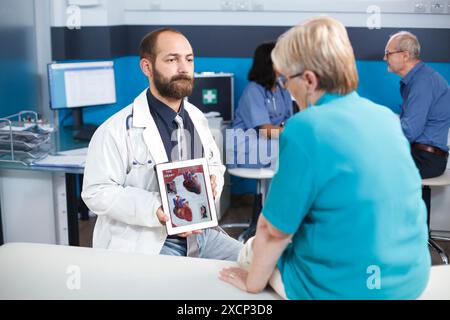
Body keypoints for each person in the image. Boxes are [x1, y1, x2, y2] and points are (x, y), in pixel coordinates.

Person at [219, 17, 430, 299]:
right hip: (410, 279)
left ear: (308, 79)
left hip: (345, 290)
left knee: (252, 248)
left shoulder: (305, 128)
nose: (286, 88)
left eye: (286, 79)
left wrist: (252, 284)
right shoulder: (385, 119)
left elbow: (273, 231)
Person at [82, 28, 242, 260]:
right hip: (151, 239)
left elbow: (215, 164)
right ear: (147, 67)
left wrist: (212, 181)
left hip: (201, 235)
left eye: (189, 59)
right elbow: (96, 192)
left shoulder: (197, 118)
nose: (183, 68)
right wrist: (156, 208)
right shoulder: (115, 130)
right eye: (172, 59)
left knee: (258, 267)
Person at [384, 31, 450, 179]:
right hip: (421, 154)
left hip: (426, 159)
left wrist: (380, 130)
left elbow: (410, 131)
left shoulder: (422, 82)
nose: (384, 58)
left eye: (388, 53)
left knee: (372, 168)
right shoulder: (419, 79)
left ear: (405, 56)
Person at [227, 42, 293, 169]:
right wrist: (294, 135)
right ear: (269, 63)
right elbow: (265, 130)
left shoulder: (282, 89)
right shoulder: (253, 90)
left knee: (294, 149)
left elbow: (290, 121)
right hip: (248, 147)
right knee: (292, 149)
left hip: (271, 143)